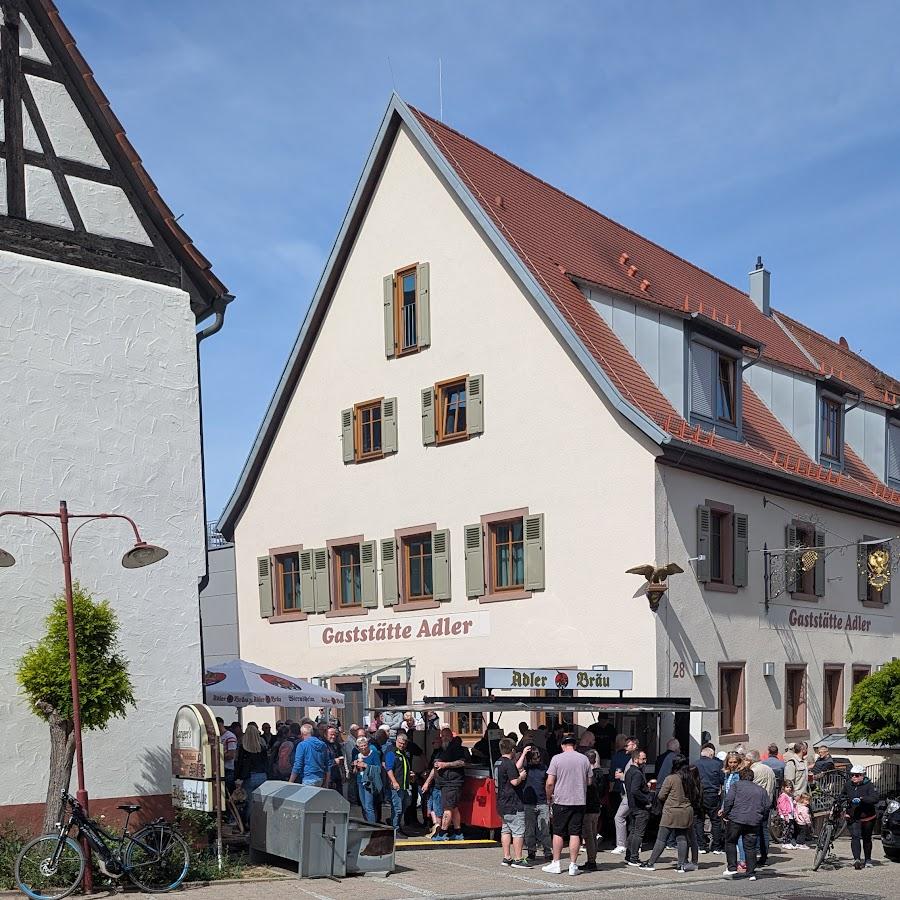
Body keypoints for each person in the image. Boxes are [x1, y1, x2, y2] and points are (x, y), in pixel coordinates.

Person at [541, 734, 592, 876]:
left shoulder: (557, 759)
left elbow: (550, 782)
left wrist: (548, 796)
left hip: (561, 800)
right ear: (574, 745)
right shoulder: (584, 759)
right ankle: (573, 865)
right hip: (579, 800)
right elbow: (589, 782)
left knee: (558, 832)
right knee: (575, 833)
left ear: (563, 745)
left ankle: (556, 863)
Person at [640, 755, 694, 871]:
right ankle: (681, 865)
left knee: (661, 839)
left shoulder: (671, 778)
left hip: (671, 811)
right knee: (682, 838)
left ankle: (651, 863)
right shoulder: (690, 778)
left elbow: (661, 795)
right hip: (686, 811)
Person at [721, 767, 769, 880]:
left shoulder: (736, 786)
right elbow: (767, 806)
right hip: (753, 821)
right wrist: (761, 818)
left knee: (731, 841)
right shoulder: (761, 790)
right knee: (750, 846)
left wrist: (726, 814)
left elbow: (728, 800)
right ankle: (751, 872)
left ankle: (732, 868)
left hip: (736, 818)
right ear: (752, 777)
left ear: (740, 776)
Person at [495, 738, 532, 868]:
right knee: (518, 832)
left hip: (501, 803)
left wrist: (523, 755)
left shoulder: (498, 762)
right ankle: (518, 859)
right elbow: (514, 781)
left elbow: (512, 770)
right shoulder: (509, 763)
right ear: (512, 750)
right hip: (513, 803)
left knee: (505, 830)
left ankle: (506, 857)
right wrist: (521, 777)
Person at [429, 731, 468, 841]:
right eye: (443, 736)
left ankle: (443, 833)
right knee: (454, 808)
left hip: (453, 782)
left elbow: (462, 762)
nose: (444, 738)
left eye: (447, 736)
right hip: (444, 782)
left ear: (451, 736)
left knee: (448, 808)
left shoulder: (456, 748)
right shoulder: (441, 749)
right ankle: (458, 832)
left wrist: (445, 764)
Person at [234, 723, 268, 825]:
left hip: (249, 776)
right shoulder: (262, 748)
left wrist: (238, 778)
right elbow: (266, 763)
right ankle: (261, 822)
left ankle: (249, 823)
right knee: (261, 802)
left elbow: (239, 764)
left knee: (249, 802)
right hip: (262, 776)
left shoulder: (243, 748)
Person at [845, 765, 878, 869]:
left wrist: (862, 798)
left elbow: (875, 798)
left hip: (868, 816)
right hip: (854, 816)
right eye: (852, 775)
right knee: (855, 836)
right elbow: (842, 796)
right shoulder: (848, 785)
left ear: (862, 776)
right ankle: (857, 859)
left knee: (866, 838)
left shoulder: (869, 785)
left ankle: (868, 859)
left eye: (857, 775)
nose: (854, 777)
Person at [523, 746, 553, 861]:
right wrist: (523, 754)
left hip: (542, 802)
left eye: (538, 758)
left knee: (544, 828)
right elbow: (518, 766)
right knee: (529, 829)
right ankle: (531, 851)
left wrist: (549, 797)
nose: (537, 760)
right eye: (535, 758)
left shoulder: (544, 768)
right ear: (529, 759)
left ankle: (547, 851)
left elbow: (548, 783)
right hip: (529, 802)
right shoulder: (526, 769)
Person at [694, 742, 724, 854]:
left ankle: (701, 846)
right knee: (715, 821)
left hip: (699, 795)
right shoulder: (717, 765)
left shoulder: (695, 764)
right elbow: (722, 779)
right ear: (711, 755)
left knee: (699, 820)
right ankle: (716, 847)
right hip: (712, 795)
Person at [624, 748, 651, 866]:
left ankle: (629, 855)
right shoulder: (636, 773)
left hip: (633, 806)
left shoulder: (630, 771)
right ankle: (633, 857)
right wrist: (647, 799)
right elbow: (634, 790)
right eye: (643, 759)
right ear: (635, 759)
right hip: (639, 807)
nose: (645, 761)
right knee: (638, 833)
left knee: (633, 831)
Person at [748, 750, 776, 865]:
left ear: (750, 760)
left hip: (756, 803)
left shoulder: (754, 771)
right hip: (767, 802)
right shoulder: (769, 769)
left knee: (756, 829)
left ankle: (758, 853)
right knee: (764, 829)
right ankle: (764, 855)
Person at [610, 737, 637, 854]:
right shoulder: (629, 757)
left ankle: (622, 844)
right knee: (631, 818)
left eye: (628, 745)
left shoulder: (635, 759)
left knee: (620, 817)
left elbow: (635, 776)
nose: (625, 748)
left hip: (629, 793)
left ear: (634, 745)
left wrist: (622, 777)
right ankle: (633, 844)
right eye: (625, 745)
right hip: (626, 792)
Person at [385, 730, 415, 834]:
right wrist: (394, 782)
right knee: (397, 808)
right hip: (397, 786)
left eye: (403, 743)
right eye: (400, 743)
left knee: (404, 805)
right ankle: (395, 830)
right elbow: (389, 769)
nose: (401, 745)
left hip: (405, 785)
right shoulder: (392, 752)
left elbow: (403, 768)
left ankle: (396, 825)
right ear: (396, 741)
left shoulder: (404, 753)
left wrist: (410, 775)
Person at [582, 749, 605, 871]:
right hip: (597, 807)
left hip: (589, 807)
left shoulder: (589, 774)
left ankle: (591, 861)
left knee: (589, 836)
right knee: (593, 834)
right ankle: (592, 859)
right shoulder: (600, 773)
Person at [352, 734, 383, 823]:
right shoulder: (357, 756)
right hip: (360, 781)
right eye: (361, 746)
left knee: (369, 806)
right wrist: (354, 766)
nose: (363, 748)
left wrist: (366, 765)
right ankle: (369, 823)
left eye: (365, 745)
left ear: (368, 745)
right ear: (358, 747)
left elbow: (378, 768)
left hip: (369, 782)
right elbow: (355, 772)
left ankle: (372, 827)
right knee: (364, 806)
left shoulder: (374, 754)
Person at [288, 723, 329, 787]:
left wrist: (290, 782)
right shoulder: (323, 744)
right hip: (320, 778)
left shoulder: (302, 745)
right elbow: (327, 764)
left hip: (308, 778)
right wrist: (326, 782)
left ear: (302, 734)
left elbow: (297, 765)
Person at [325, 725, 344, 795]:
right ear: (326, 734)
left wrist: (343, 772)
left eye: (334, 735)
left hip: (337, 775)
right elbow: (322, 762)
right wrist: (334, 761)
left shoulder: (336, 744)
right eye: (331, 735)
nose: (333, 737)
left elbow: (340, 756)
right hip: (328, 777)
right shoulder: (323, 745)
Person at [776, 781, 796, 848]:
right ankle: (785, 842)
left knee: (790, 829)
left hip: (790, 815)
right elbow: (782, 806)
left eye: (790, 787)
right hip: (786, 815)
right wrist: (785, 814)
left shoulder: (790, 796)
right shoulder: (783, 796)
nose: (789, 789)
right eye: (787, 787)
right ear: (784, 787)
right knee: (786, 829)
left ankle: (788, 841)